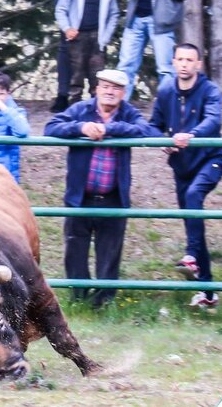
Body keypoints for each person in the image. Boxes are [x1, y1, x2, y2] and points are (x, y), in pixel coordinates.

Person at [44, 69, 160, 308]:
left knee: (110, 252)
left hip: (113, 197)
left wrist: (110, 129)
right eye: (105, 86)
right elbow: (51, 127)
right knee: (75, 248)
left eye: (116, 88)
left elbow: (146, 130)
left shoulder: (128, 113)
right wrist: (81, 128)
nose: (110, 92)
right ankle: (78, 299)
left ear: (124, 93)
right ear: (96, 89)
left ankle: (104, 302)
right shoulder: (81, 110)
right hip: (80, 196)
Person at [149, 43, 222, 308]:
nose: (184, 64)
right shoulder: (166, 90)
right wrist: (163, 140)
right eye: (180, 59)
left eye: (189, 59)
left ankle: (192, 256)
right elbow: (153, 125)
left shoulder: (210, 90)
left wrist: (191, 136)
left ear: (198, 64)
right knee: (194, 222)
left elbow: (213, 121)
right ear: (173, 62)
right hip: (181, 166)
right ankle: (208, 291)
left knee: (194, 197)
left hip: (209, 159)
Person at [54, 0, 120, 105]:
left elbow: (114, 14)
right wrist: (67, 28)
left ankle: (96, 104)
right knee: (76, 72)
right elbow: (60, 10)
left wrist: (106, 36)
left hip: (98, 37)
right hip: (77, 36)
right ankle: (74, 105)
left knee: (96, 72)